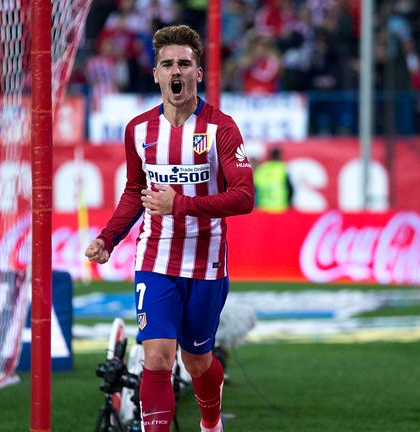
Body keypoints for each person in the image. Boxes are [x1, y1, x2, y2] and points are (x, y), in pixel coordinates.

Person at [85, 24, 254, 432]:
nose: (175, 70)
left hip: (206, 264)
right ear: (156, 74)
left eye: (184, 63)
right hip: (154, 258)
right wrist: (109, 237)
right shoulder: (138, 131)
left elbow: (244, 197)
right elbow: (134, 191)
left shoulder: (221, 129)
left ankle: (210, 421)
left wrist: (179, 204)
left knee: (197, 362)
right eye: (167, 64)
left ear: (198, 73)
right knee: (157, 357)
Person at [254, 146, 293, 213]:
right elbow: (290, 188)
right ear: (280, 156)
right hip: (280, 208)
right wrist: (289, 204)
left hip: (263, 208)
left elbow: (254, 190)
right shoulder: (282, 168)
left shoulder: (261, 169)